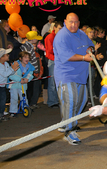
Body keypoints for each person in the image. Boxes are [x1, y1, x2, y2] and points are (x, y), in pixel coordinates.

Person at [53, 12, 98, 145]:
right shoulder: (61, 36)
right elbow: (67, 55)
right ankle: (69, 131)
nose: (73, 25)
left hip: (81, 75)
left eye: (76, 22)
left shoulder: (81, 33)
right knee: (71, 101)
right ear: (65, 21)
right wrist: (85, 58)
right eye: (71, 22)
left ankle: (65, 122)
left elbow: (91, 45)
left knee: (82, 101)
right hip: (67, 74)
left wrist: (90, 48)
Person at [8, 51, 34, 118]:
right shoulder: (15, 64)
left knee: (24, 97)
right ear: (20, 58)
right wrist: (20, 79)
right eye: (25, 57)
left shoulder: (29, 66)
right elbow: (11, 75)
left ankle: (25, 108)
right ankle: (13, 111)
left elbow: (30, 74)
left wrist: (28, 79)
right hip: (14, 85)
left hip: (23, 85)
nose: (27, 59)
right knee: (14, 98)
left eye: (28, 57)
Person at [0, 48, 19, 122]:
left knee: (2, 100)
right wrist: (12, 69)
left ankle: (0, 114)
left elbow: (9, 73)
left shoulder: (5, 64)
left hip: (3, 85)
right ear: (1, 57)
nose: (8, 55)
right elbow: (5, 74)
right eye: (7, 55)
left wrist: (14, 69)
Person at [44, 21, 63, 109]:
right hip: (53, 61)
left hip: (58, 60)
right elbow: (49, 52)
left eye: (61, 29)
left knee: (57, 82)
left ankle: (56, 100)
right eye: (59, 28)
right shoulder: (50, 37)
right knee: (52, 82)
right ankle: (52, 101)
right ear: (54, 28)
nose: (60, 30)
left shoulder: (59, 37)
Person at [21, 31, 42, 109]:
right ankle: (28, 105)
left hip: (26, 70)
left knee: (28, 89)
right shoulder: (29, 48)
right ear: (33, 39)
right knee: (29, 89)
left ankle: (28, 104)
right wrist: (36, 71)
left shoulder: (24, 46)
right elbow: (32, 61)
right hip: (29, 70)